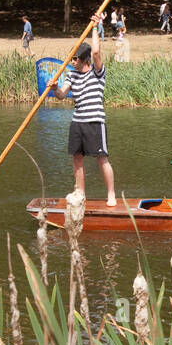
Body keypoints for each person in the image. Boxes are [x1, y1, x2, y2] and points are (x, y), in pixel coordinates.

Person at [56, 18, 117, 207]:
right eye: (72, 58)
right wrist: (53, 89)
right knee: (77, 158)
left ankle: (111, 194)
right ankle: (80, 193)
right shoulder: (72, 74)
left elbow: (96, 51)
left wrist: (94, 26)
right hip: (77, 122)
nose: (72, 61)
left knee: (101, 159)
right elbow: (61, 95)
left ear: (84, 59)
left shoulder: (97, 72)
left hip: (94, 121)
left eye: (75, 59)